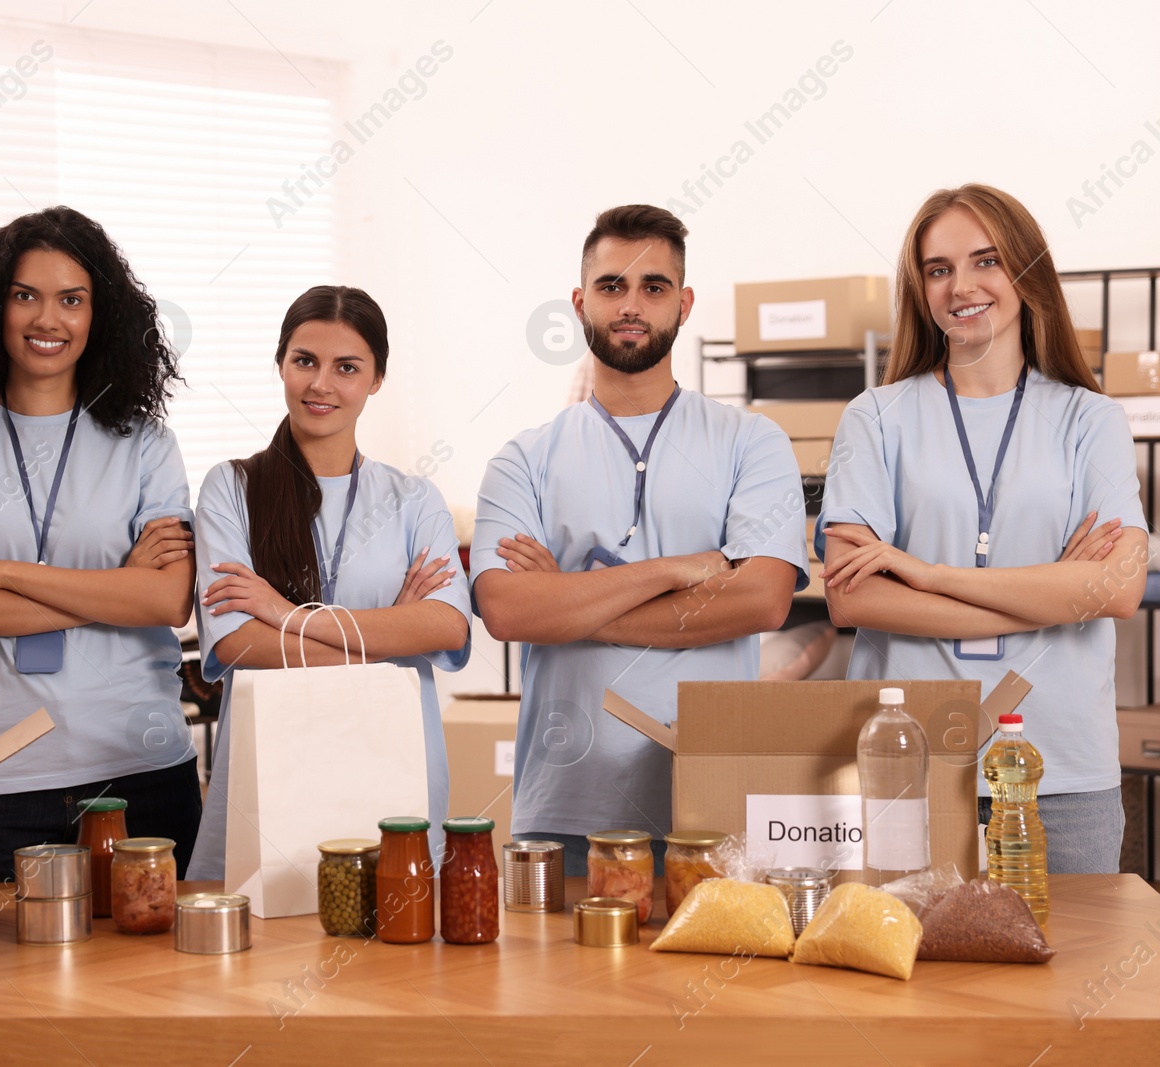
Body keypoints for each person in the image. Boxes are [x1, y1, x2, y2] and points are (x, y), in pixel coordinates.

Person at [819, 183, 1148, 875]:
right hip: (908, 769)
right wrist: (1056, 587)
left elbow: (1116, 590)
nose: (960, 286)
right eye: (938, 269)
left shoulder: (1090, 420)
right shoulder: (876, 417)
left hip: (1059, 775)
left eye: (986, 261)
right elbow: (855, 597)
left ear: (1026, 274)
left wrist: (925, 571)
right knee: (901, 982)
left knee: (1069, 980)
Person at [471, 205, 806, 875]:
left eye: (653, 287)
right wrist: (683, 570)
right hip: (564, 809)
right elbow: (510, 611)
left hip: (710, 808)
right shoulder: (524, 458)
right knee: (557, 982)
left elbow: (762, 600)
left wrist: (568, 602)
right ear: (579, 302)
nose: (631, 305)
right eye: (611, 286)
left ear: (682, 304)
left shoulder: (752, 441)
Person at [0, 207, 202, 880]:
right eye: (25, 295)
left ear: (99, 314)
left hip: (140, 768)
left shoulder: (144, 441)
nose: (47, 319)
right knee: (8, 987)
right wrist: (116, 589)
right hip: (1, 776)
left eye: (71, 299)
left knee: (153, 986)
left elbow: (167, 597)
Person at [187, 285, 471, 878]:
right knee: (259, 953)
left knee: (400, 950)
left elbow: (444, 623)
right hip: (273, 766)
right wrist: (393, 632)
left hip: (392, 763)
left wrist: (283, 613)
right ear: (281, 365)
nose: (321, 384)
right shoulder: (230, 490)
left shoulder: (412, 499)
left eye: (347, 368)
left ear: (376, 379)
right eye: (304, 361)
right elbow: (237, 643)